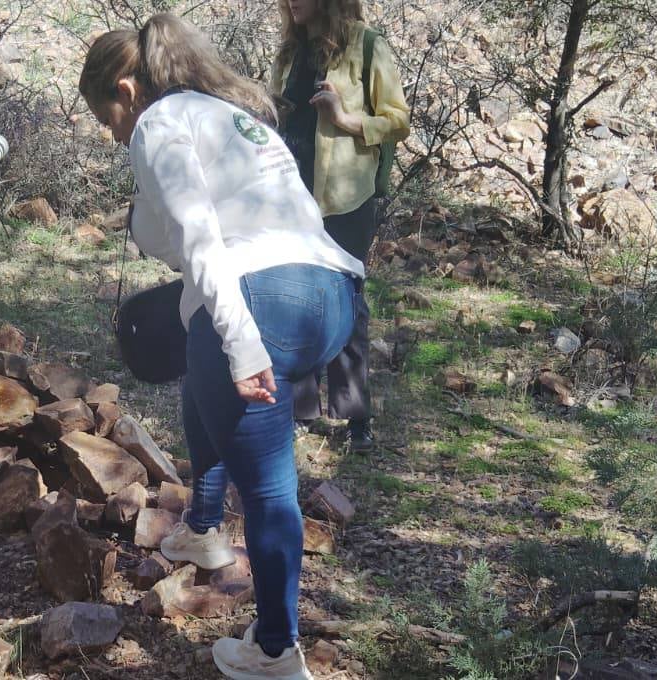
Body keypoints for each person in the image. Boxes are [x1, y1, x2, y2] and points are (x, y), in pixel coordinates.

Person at [79, 14, 363, 679]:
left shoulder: (157, 122)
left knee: (268, 488)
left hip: (261, 300)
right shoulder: (231, 115)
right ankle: (203, 531)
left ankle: (274, 651)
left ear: (127, 89)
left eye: (107, 116)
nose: (112, 131)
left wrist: (241, 344)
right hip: (331, 297)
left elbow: (201, 235)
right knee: (198, 373)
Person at [271, 0, 410, 451]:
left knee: (347, 303)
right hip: (292, 195)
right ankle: (300, 409)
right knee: (293, 298)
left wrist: (344, 117)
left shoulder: (368, 47)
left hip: (346, 200)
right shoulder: (290, 50)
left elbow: (398, 119)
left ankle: (355, 418)